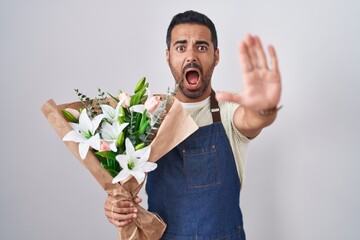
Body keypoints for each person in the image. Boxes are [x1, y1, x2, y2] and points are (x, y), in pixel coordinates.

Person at [104, 10, 281, 239]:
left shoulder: (229, 113)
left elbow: (254, 118)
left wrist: (265, 107)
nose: (191, 56)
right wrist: (116, 205)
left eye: (201, 47)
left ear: (216, 56)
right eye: (181, 47)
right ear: (168, 55)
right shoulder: (147, 117)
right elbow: (125, 187)